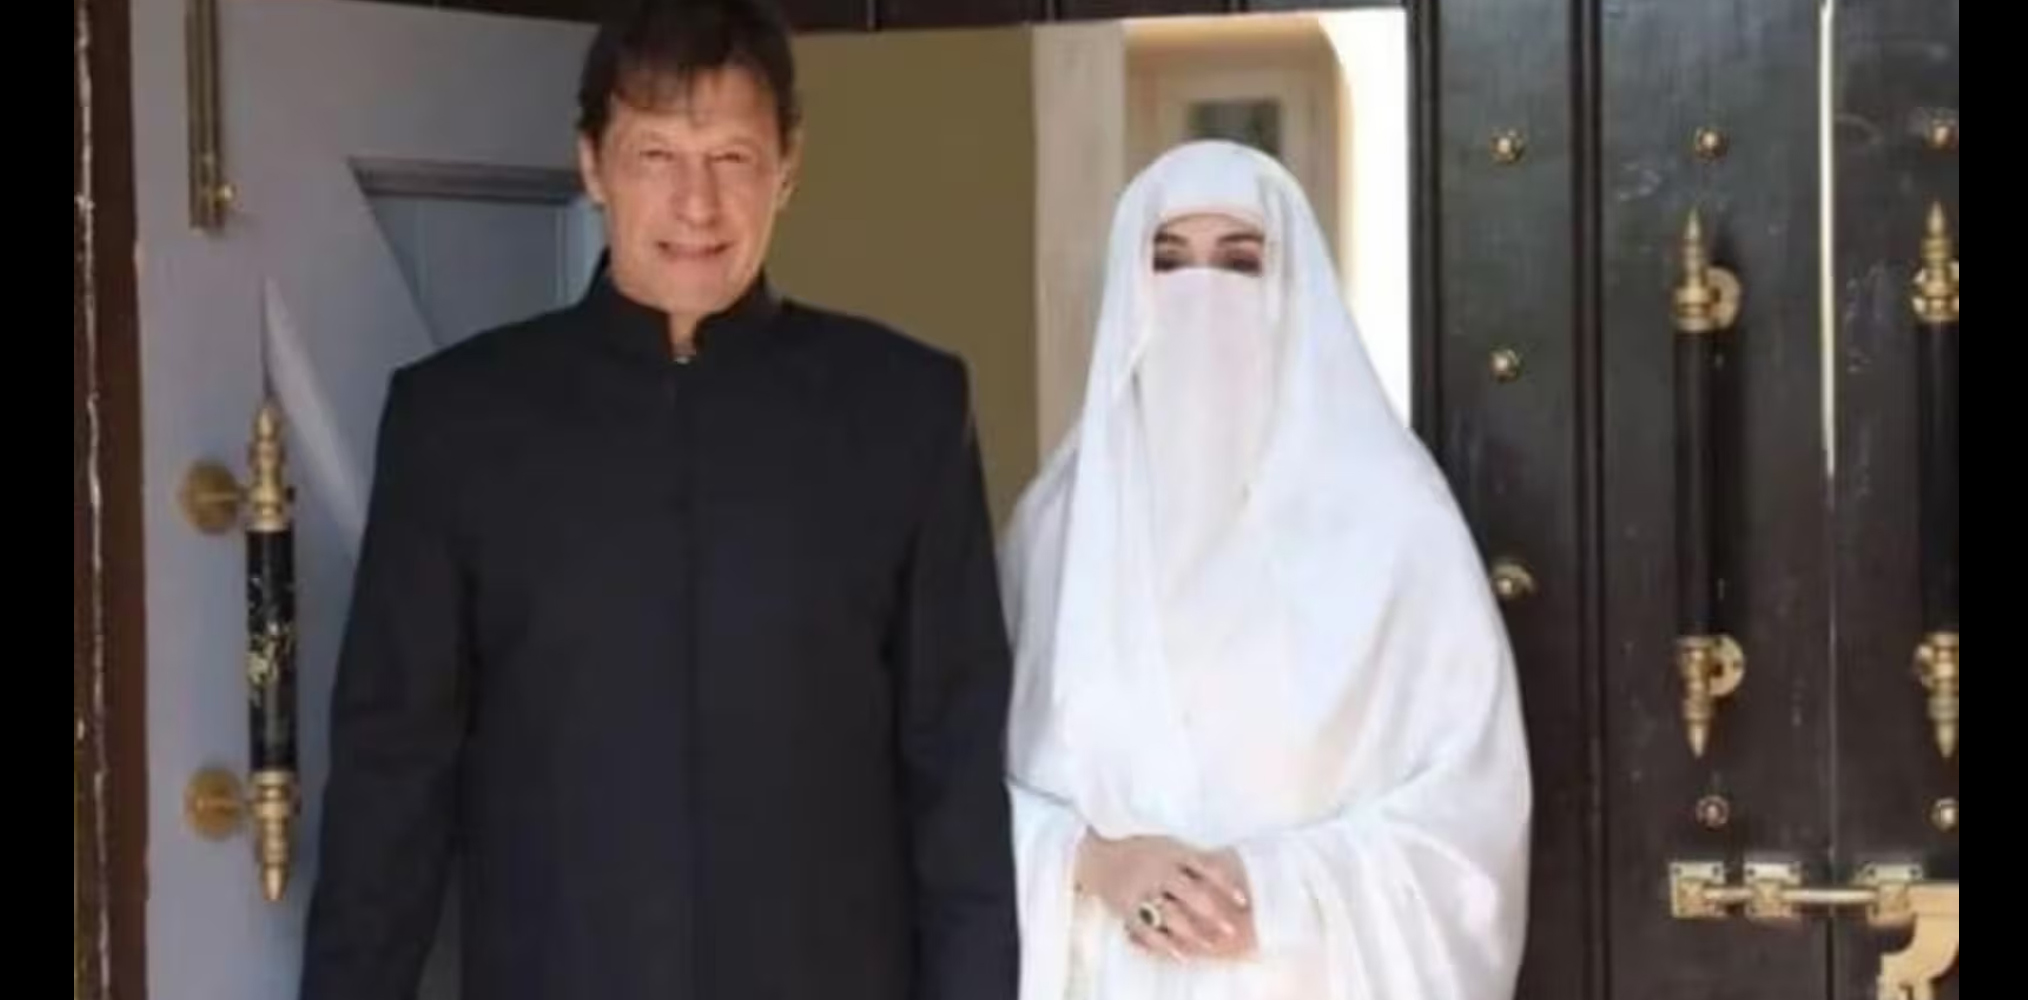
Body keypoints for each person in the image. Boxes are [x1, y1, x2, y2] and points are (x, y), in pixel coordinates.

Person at [298, 1, 1020, 997]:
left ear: (787, 166)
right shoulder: (457, 424)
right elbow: (392, 784)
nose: (696, 205)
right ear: (592, 164)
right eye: (655, 156)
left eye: (731, 157)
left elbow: (957, 779)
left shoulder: (905, 412)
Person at [1000, 140, 1532, 999]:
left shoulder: (1397, 530)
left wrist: (1278, 892)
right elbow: (967, 791)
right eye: (1168, 262)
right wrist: (1096, 863)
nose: (1201, 295)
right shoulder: (1056, 532)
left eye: (1239, 262)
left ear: (1293, 288)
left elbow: (1470, 818)